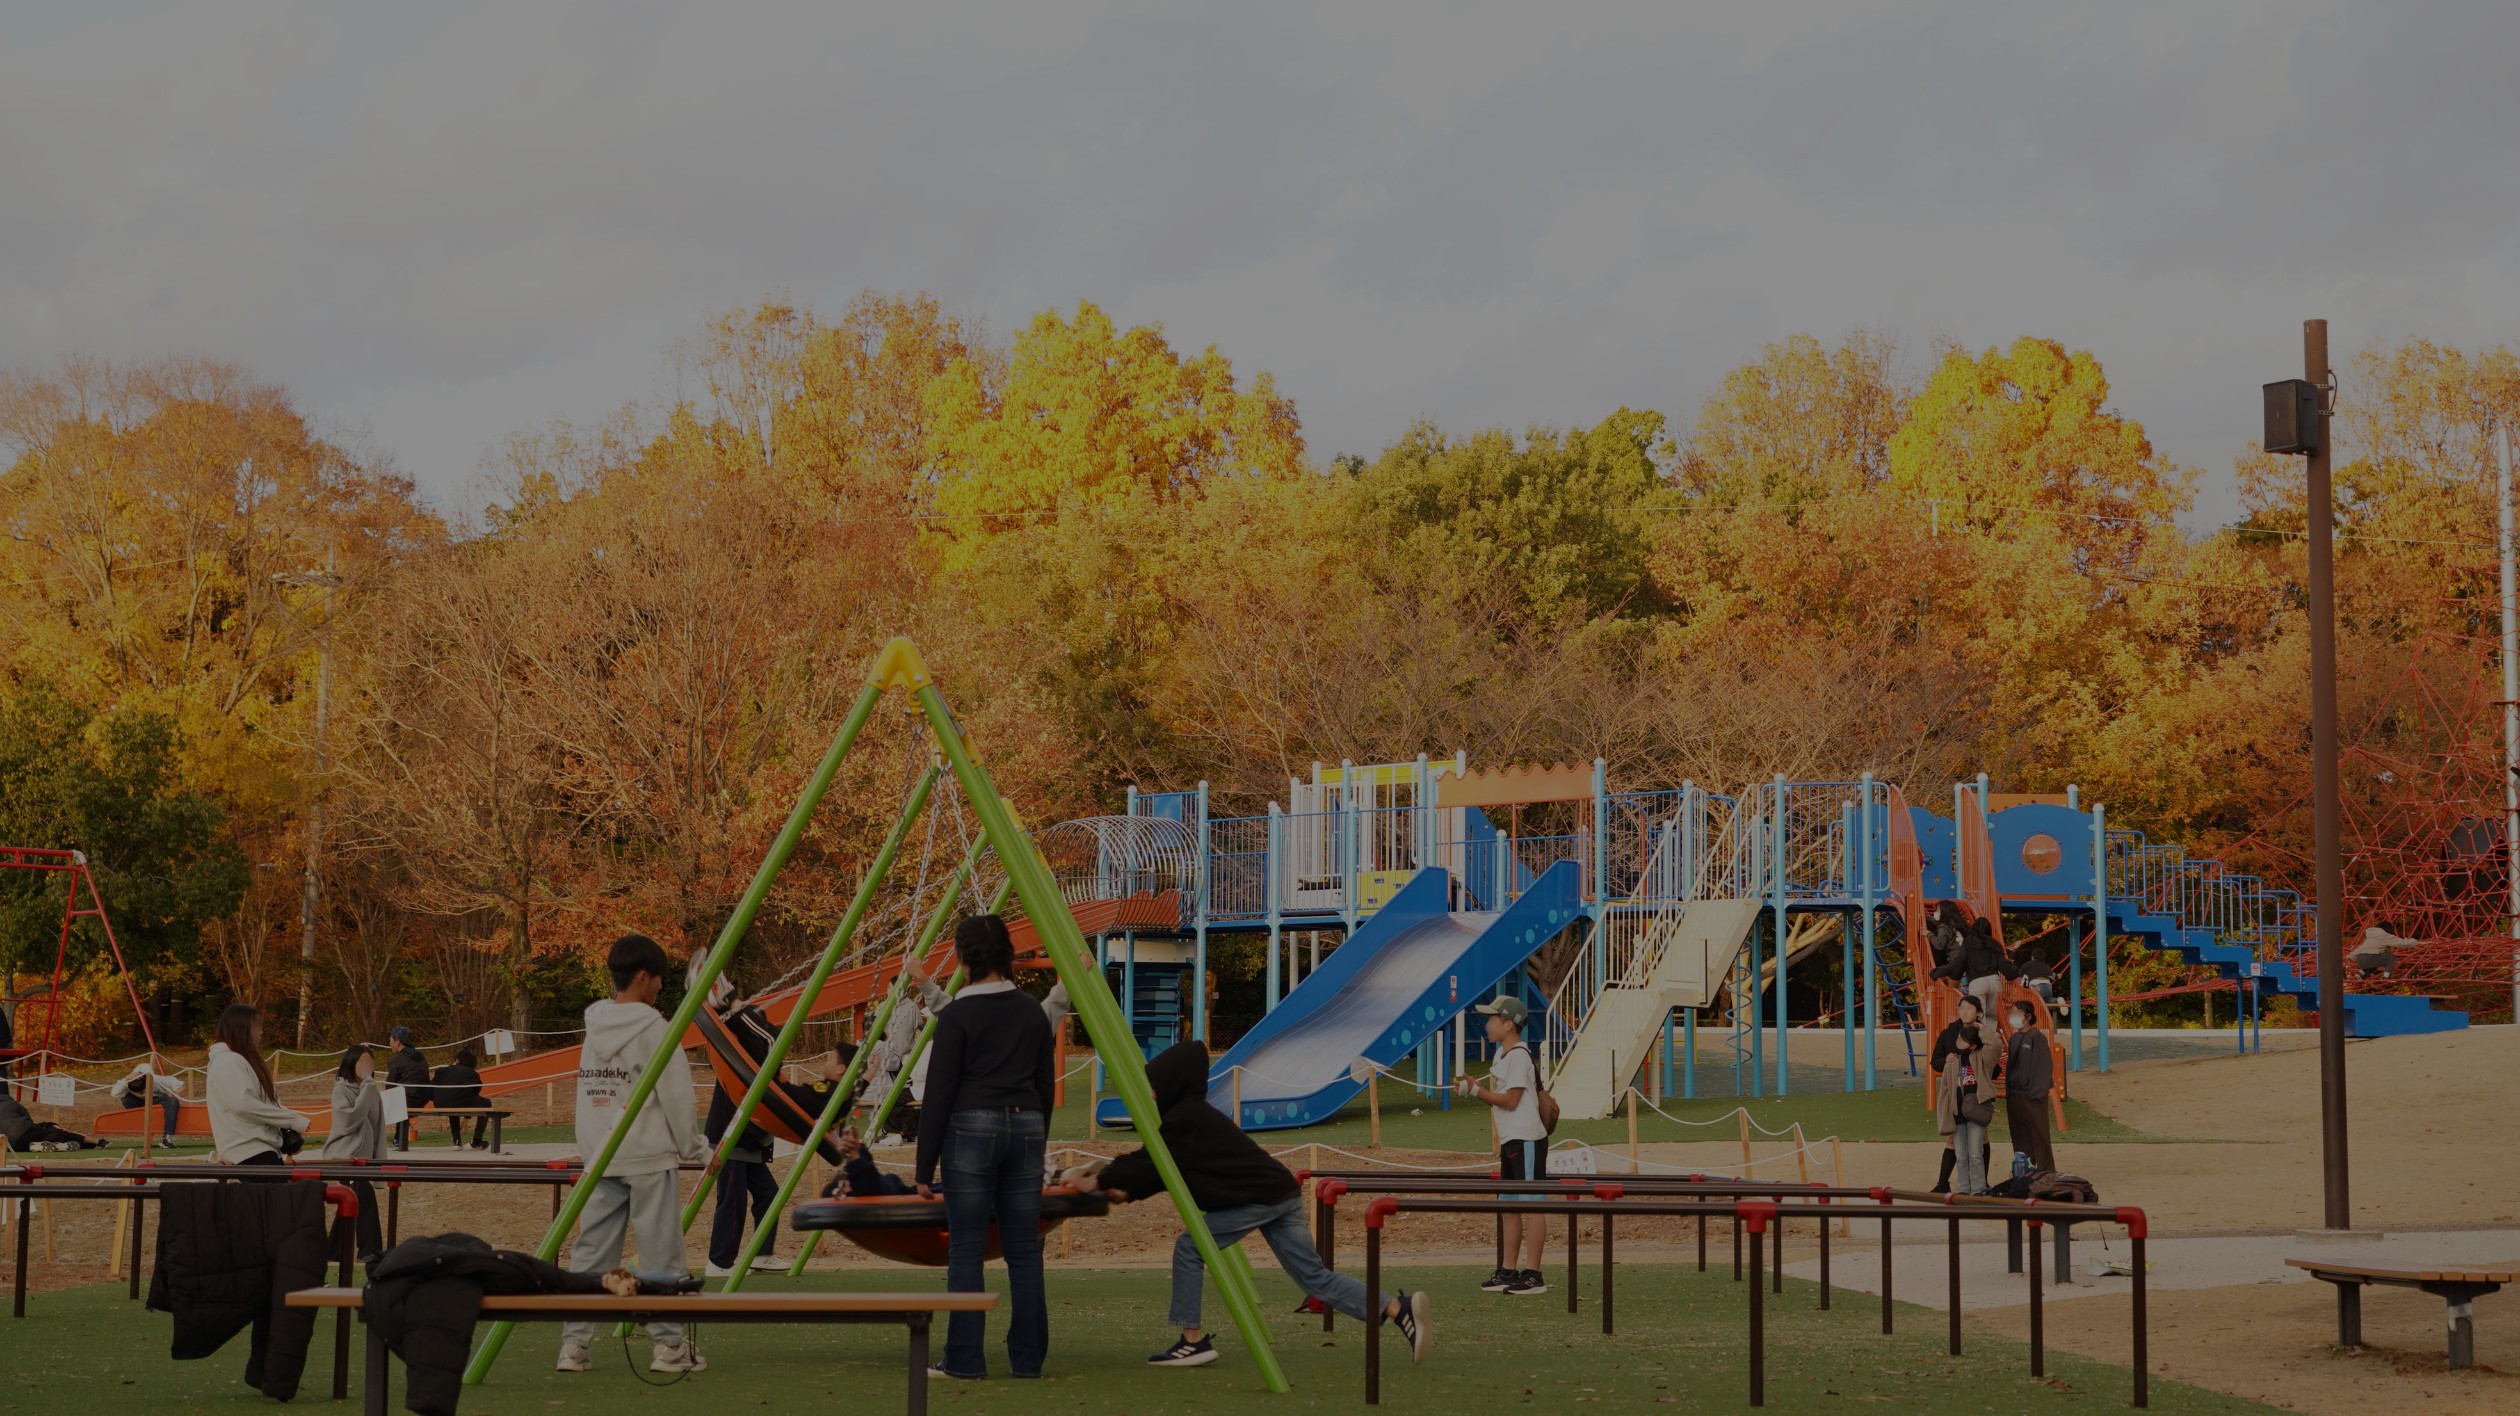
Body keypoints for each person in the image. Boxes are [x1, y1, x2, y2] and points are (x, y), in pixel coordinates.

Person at [1074, 1039, 1431, 1369]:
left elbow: (1147, 1162)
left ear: (1172, 1084)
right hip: (1279, 1194)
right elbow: (1161, 1168)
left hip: (1261, 1199)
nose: (1152, 1094)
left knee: (1189, 1247)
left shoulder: (1186, 1120)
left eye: (1155, 1085)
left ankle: (1192, 1340)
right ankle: (1398, 1310)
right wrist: (1124, 1190)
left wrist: (1100, 1179)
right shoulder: (1191, 1119)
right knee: (1314, 1279)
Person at [556, 934, 708, 1376]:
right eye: (659, 979)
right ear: (643, 977)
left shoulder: (594, 1027)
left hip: (602, 1154)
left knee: (591, 1253)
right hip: (646, 1155)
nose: (662, 987)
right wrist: (695, 1148)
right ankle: (669, 1348)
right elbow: (677, 1097)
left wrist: (591, 1146)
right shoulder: (655, 1029)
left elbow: (590, 1092)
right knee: (662, 1252)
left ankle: (574, 1346)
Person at [915, 915, 1054, 1381]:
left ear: (963, 959)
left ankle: (965, 1358)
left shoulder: (956, 1016)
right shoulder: (1032, 1010)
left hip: (971, 1128)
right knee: (1024, 1251)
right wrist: (1039, 1136)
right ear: (1007, 956)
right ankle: (1028, 1359)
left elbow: (939, 1092)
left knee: (967, 1249)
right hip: (1028, 1124)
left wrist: (923, 1165)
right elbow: (1043, 1083)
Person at [1454, 994, 1547, 1295]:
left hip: (1528, 1138)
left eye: (1493, 1018)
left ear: (1508, 1024)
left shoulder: (1519, 1056)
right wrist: (1476, 1088)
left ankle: (1533, 1273)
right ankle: (1508, 1270)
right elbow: (1502, 1100)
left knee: (1533, 1205)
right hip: (1511, 1139)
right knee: (1508, 1205)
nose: (1487, 1023)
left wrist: (1476, 1092)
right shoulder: (1502, 1056)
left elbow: (1511, 1100)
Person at [207, 1003, 310, 1170]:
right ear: (240, 1028)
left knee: (280, 1194)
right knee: (279, 1195)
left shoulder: (240, 1060)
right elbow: (244, 1105)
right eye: (256, 1026)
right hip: (248, 1151)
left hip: (259, 1149)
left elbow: (260, 1104)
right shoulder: (228, 1061)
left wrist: (284, 1135)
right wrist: (291, 1120)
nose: (260, 1032)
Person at [321, 1044, 388, 1262]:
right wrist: (368, 1086)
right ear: (351, 1064)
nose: (367, 1067)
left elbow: (379, 1129)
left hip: (362, 1161)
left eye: (370, 1063)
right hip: (343, 1157)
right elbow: (349, 1121)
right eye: (363, 1063)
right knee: (364, 1197)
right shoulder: (341, 1089)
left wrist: (379, 1169)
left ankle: (334, 1250)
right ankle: (370, 1251)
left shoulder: (372, 1091)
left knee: (351, 1201)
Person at [1927, 996, 1995, 1194]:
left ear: (1979, 1013)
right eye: (1961, 1008)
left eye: (1970, 1008)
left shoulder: (1984, 1034)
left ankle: (1981, 1185)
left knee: (1979, 1144)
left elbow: (1993, 1064)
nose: (1964, 1011)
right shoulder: (1949, 1033)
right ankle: (1949, 1184)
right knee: (1955, 1144)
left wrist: (1982, 1067)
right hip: (1956, 1096)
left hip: (1977, 1097)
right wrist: (1946, 1060)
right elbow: (1935, 1061)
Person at [2002, 1002, 2057, 1173]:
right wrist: (2009, 1092)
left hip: (2032, 1095)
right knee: (2019, 1135)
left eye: (2017, 1012)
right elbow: (2011, 1066)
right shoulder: (2014, 1038)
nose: (2013, 1016)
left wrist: (2037, 1094)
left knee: (2039, 1135)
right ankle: (2024, 1170)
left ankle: (2046, 1172)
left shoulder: (2037, 1037)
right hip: (2015, 1095)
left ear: (2028, 1017)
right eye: (2012, 1012)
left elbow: (2043, 1066)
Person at [1930, 917, 2016, 1019]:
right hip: (1994, 981)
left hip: (1977, 981)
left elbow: (1959, 962)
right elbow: (2003, 963)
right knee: (1991, 1015)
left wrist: (1938, 972)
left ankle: (1979, 1034)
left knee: (1979, 1014)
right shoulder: (1993, 943)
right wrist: (2014, 972)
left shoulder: (1969, 943)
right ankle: (1990, 1034)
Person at [114, 1062, 186, 1146]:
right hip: (138, 1103)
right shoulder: (127, 1083)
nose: (141, 1094)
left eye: (142, 1091)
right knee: (126, 1099)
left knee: (172, 1101)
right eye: (137, 1092)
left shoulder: (157, 1080)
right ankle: (139, 1124)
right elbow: (114, 1093)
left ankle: (167, 1136)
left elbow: (178, 1084)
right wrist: (124, 1079)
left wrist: (175, 1092)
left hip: (156, 1100)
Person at [429, 1049, 488, 1148]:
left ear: (457, 1060)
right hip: (461, 1101)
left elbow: (431, 1087)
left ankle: (456, 1141)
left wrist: (436, 1099)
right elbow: (476, 1090)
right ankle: (477, 1140)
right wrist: (467, 1115)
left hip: (440, 1103)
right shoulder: (471, 1072)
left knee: (453, 1102)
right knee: (487, 1103)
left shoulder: (442, 1070)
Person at [384, 1026, 430, 1150]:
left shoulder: (396, 1060)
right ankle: (397, 1138)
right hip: (423, 1098)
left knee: (389, 1098)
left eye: (391, 1040)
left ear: (397, 1041)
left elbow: (389, 1085)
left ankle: (395, 1138)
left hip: (407, 1100)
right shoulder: (421, 1057)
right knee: (400, 1096)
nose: (390, 1044)